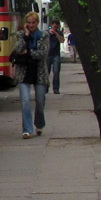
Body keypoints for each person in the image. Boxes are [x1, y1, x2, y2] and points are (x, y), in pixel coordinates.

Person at [15, 11, 49, 139]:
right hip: (24, 73)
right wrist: (26, 36)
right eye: (28, 23)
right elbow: (18, 50)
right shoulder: (21, 35)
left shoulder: (44, 35)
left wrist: (28, 53)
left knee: (40, 102)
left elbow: (43, 53)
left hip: (39, 72)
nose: (31, 25)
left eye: (33, 22)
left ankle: (39, 124)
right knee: (25, 101)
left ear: (37, 23)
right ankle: (27, 130)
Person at [46, 19, 63, 94]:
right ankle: (45, 88)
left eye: (56, 26)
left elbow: (62, 41)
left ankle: (56, 89)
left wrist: (56, 33)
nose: (55, 27)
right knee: (46, 72)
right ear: (51, 25)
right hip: (48, 54)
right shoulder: (46, 33)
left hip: (56, 54)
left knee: (56, 72)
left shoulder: (59, 33)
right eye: (54, 26)